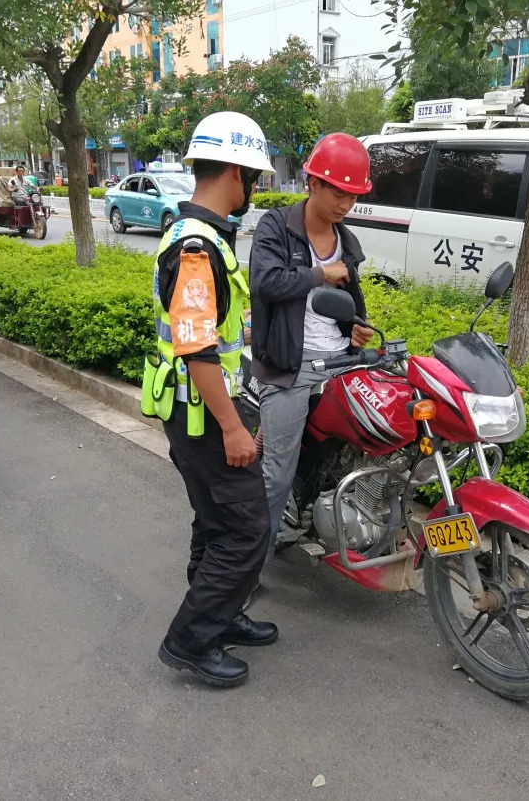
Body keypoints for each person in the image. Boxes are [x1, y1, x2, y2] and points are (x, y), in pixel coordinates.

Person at [142, 111, 277, 688]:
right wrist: (233, 428)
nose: (256, 190)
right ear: (238, 173)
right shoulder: (198, 248)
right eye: (255, 178)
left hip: (197, 412)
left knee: (217, 521)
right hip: (203, 418)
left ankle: (220, 615)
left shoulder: (199, 237)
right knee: (247, 529)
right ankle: (192, 641)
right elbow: (199, 352)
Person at [249, 133, 374, 560]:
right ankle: (250, 567)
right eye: (338, 191)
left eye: (353, 196)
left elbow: (349, 305)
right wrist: (322, 274)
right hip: (290, 365)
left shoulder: (348, 242)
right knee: (276, 473)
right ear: (313, 183)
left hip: (341, 360)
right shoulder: (276, 226)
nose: (345, 203)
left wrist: (356, 328)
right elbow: (265, 283)